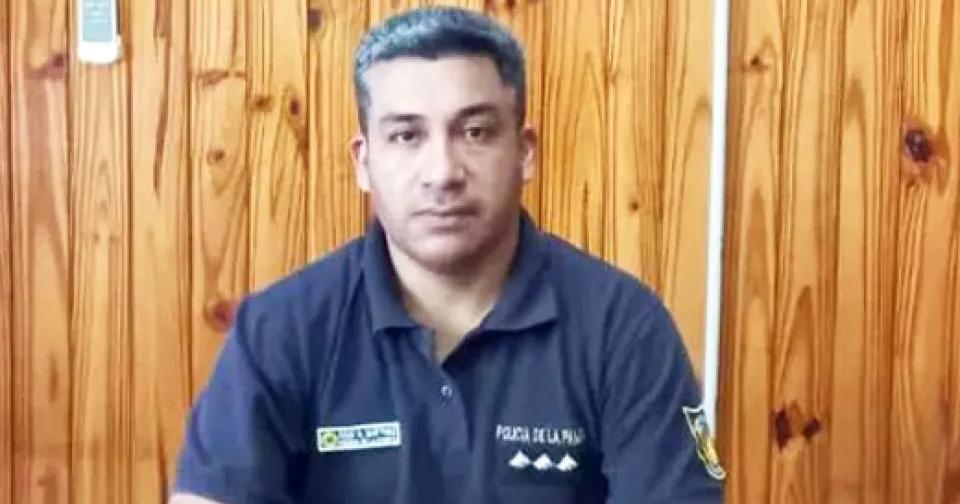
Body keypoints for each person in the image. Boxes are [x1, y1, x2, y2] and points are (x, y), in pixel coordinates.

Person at [171, 7, 725, 504]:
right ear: (364, 162)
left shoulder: (623, 328)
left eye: (476, 132)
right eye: (407, 136)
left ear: (524, 152)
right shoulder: (280, 330)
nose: (442, 173)